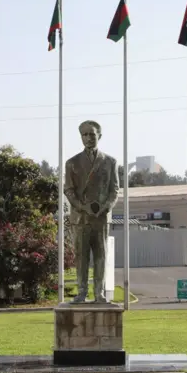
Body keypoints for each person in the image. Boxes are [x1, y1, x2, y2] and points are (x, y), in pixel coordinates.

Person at [64, 120, 119, 303]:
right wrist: (82, 206)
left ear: (99, 136)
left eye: (92, 134)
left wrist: (105, 207)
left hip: (101, 217)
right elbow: (69, 190)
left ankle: (99, 293)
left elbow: (114, 190)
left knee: (101, 256)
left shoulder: (110, 162)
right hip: (81, 217)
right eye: (85, 134)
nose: (88, 138)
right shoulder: (72, 163)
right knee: (81, 257)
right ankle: (81, 292)